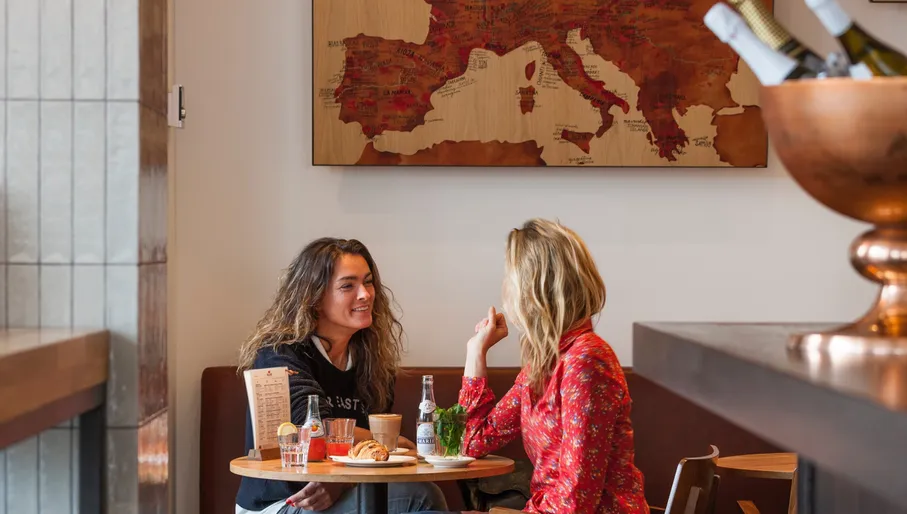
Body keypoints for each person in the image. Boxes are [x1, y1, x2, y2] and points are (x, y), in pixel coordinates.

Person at [425, 219, 649, 514]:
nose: (506, 290)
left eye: (511, 278)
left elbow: (576, 501)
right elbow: (472, 440)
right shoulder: (543, 363)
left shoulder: (585, 361)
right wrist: (476, 352)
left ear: (535, 288)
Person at [235, 237, 448, 514]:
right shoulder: (279, 355)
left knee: (423, 496)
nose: (365, 294)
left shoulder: (372, 362)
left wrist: (342, 483)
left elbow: (370, 458)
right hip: (280, 504)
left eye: (368, 282)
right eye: (348, 285)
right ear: (314, 298)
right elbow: (313, 429)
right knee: (418, 496)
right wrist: (388, 441)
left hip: (345, 493)